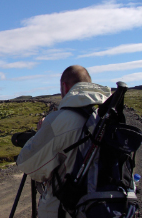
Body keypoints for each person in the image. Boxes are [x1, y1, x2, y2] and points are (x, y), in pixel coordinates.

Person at [16, 65, 112, 218]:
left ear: (64, 86)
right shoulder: (108, 116)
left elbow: (27, 163)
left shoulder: (59, 122)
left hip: (68, 210)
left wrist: (40, 133)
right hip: (110, 208)